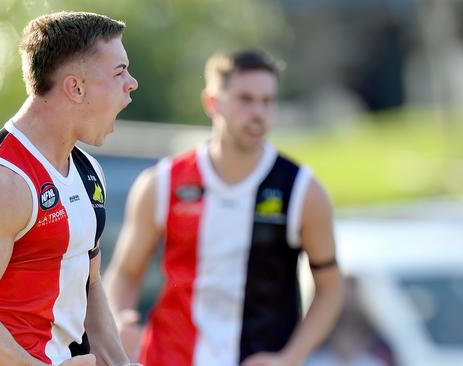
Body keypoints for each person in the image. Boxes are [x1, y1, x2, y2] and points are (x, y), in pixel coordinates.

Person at [104, 50, 344, 366]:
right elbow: (125, 271)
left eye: (267, 101)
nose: (258, 112)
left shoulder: (301, 190)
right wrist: (118, 321)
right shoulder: (162, 183)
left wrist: (289, 358)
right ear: (212, 103)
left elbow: (330, 287)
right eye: (245, 99)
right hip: (170, 357)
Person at [0, 11, 138, 366]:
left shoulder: (87, 171)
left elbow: (91, 287)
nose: (131, 83)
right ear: (75, 87)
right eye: (119, 72)